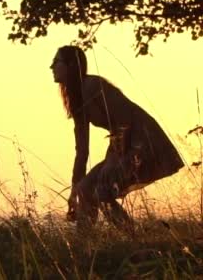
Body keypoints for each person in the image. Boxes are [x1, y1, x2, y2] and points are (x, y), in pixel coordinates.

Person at [50, 45, 184, 230]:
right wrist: (74, 189)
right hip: (122, 144)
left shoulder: (92, 86)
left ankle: (135, 238)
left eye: (56, 62)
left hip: (142, 139)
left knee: (102, 190)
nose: (51, 67)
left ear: (71, 65)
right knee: (85, 188)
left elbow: (124, 120)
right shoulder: (76, 99)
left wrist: (114, 160)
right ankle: (85, 246)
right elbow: (82, 150)